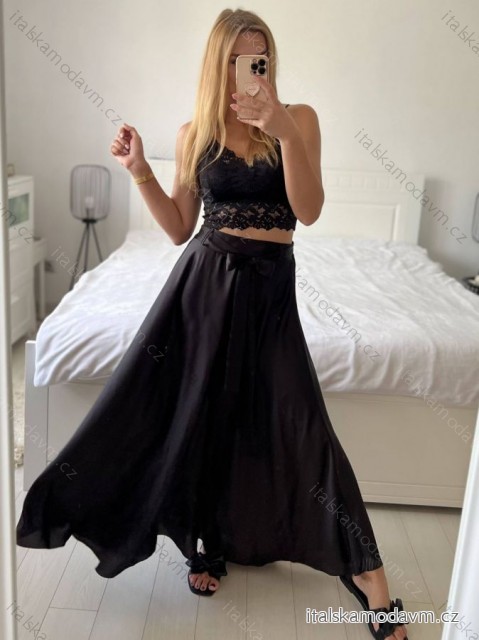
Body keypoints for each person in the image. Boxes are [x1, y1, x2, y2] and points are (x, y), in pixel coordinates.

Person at [16, 8, 408, 640]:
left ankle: (368, 574)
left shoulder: (299, 119)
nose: (251, 70)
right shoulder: (195, 132)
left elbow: (308, 211)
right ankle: (205, 539)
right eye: (238, 58)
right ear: (218, 64)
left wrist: (284, 133)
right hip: (205, 286)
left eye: (260, 57)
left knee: (304, 422)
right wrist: (139, 170)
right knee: (202, 415)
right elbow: (178, 228)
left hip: (271, 291)